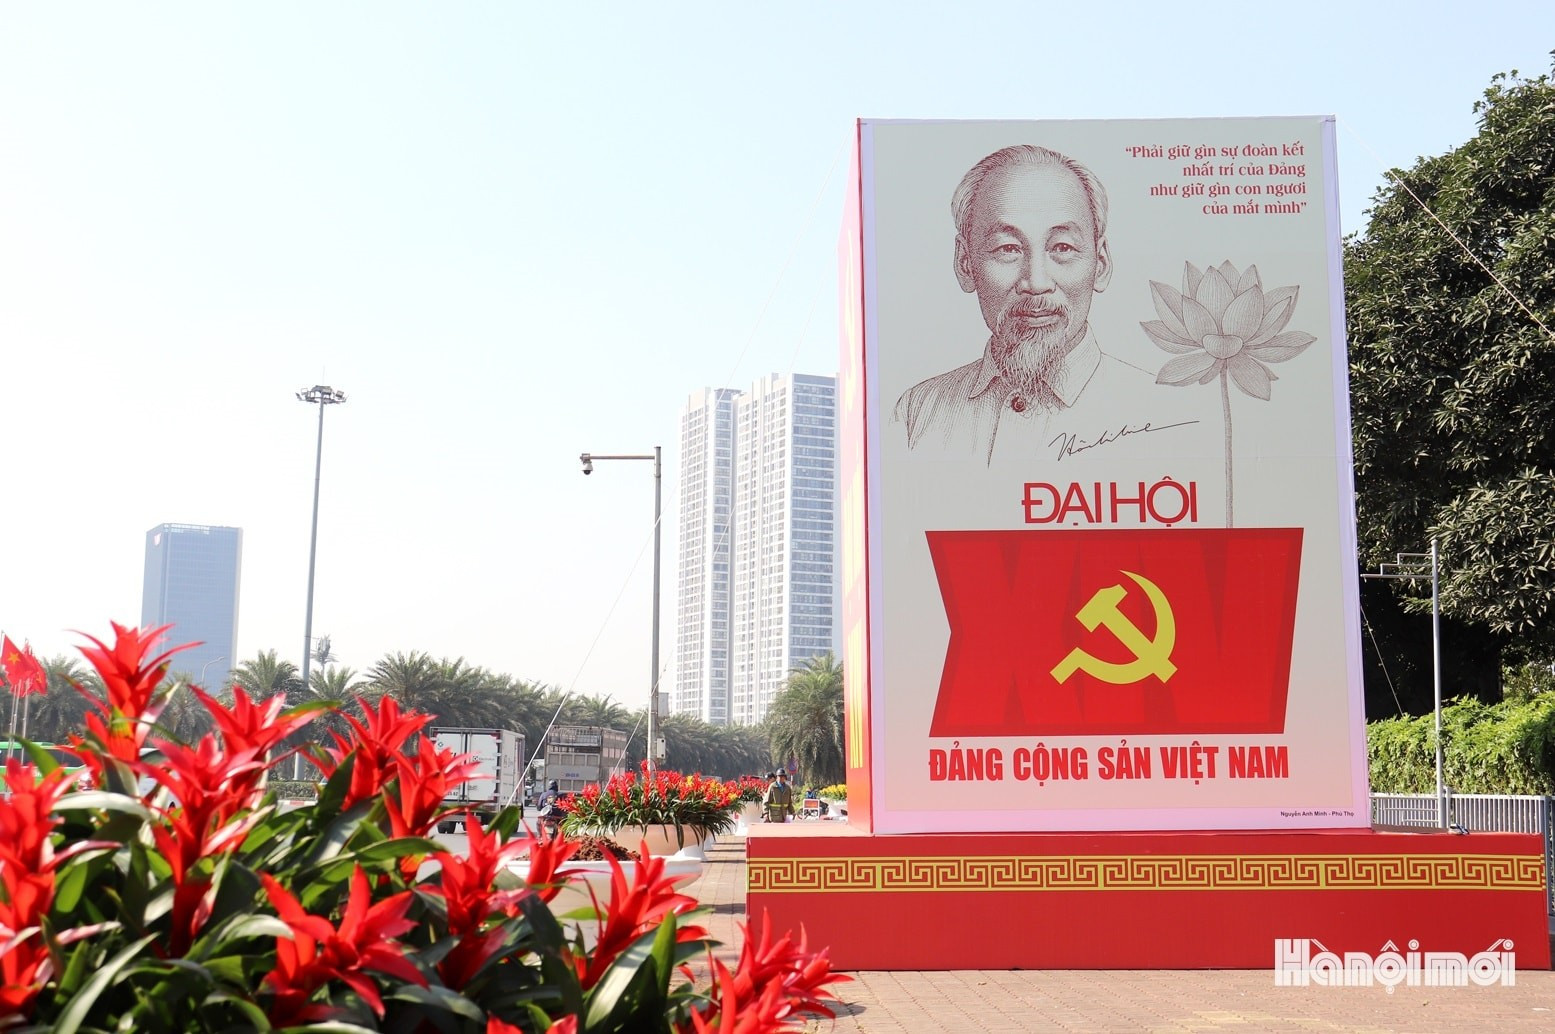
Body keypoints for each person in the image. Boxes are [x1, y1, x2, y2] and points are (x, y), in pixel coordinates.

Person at [895, 144, 1190, 465]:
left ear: (1101, 264)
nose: (1035, 282)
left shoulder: (1166, 412)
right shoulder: (917, 413)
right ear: (965, 264)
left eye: (1062, 246)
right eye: (1007, 248)